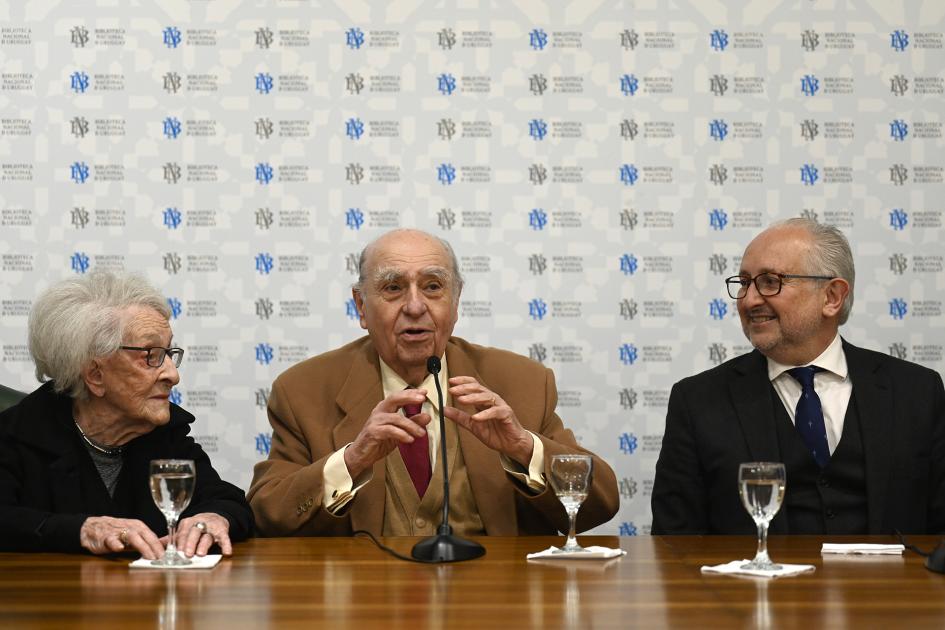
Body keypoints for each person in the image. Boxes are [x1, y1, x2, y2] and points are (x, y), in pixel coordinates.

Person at [248, 229, 619, 537]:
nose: (414, 306)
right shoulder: (303, 391)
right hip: (366, 601)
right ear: (361, 307)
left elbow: (600, 505)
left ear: (455, 303)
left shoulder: (521, 381)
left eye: (432, 287)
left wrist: (523, 447)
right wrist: (351, 459)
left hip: (491, 599)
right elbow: (267, 516)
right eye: (393, 287)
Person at [651, 218, 945, 535]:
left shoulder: (916, 392)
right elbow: (673, 544)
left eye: (770, 282)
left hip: (889, 584)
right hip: (752, 585)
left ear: (832, 296)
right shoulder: (697, 401)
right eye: (745, 283)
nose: (749, 300)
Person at [0, 271, 254, 557]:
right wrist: (80, 529)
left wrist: (213, 518)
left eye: (169, 353)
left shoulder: (164, 433)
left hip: (149, 600)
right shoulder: (17, 437)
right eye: (151, 356)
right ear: (95, 375)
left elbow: (224, 499)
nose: (172, 374)